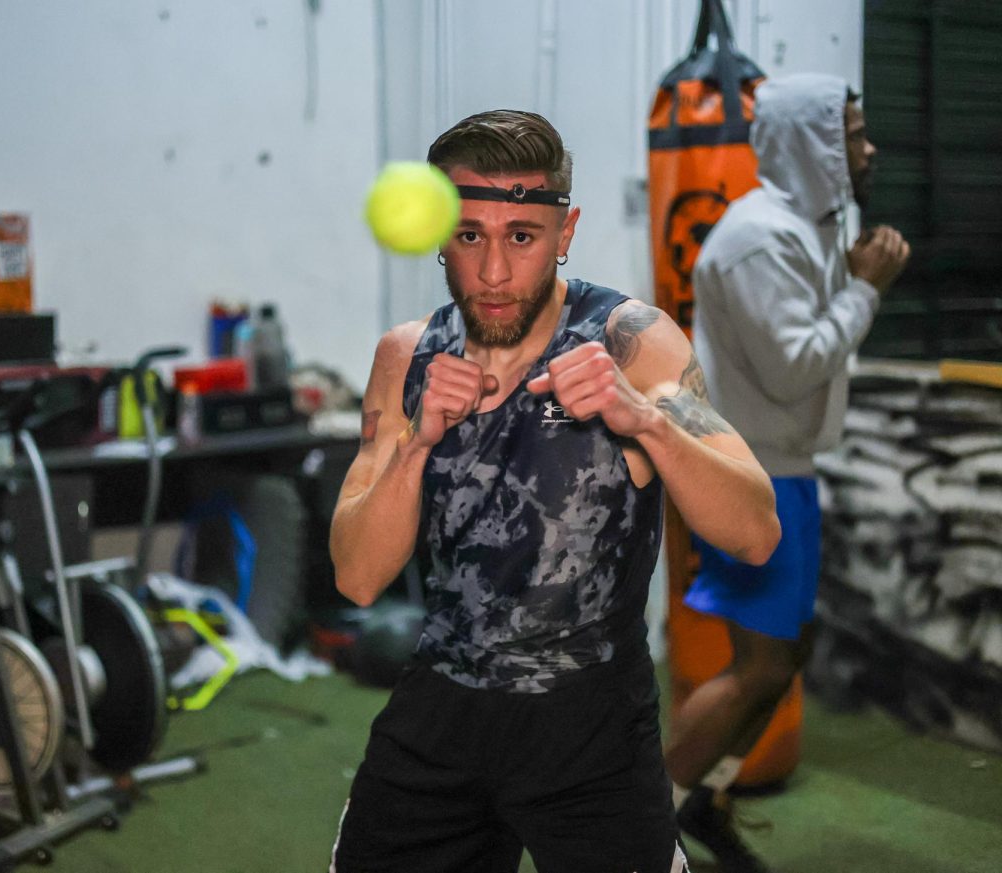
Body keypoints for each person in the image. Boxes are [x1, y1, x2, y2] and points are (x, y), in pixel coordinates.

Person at [327, 109, 780, 873]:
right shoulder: (407, 357)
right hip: (442, 709)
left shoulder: (631, 344)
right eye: (470, 235)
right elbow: (357, 576)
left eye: (523, 236)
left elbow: (756, 531)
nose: (495, 272)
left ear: (565, 233)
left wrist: (647, 422)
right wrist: (417, 442)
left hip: (592, 725)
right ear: (439, 233)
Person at [669, 74, 911, 872]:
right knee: (760, 664)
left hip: (783, 468)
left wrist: (848, 281)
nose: (866, 148)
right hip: (752, 473)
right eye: (851, 134)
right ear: (813, 143)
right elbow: (795, 366)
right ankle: (643, 821)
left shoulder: (799, 229)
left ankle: (706, 796)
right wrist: (867, 291)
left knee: (786, 651)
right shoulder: (757, 237)